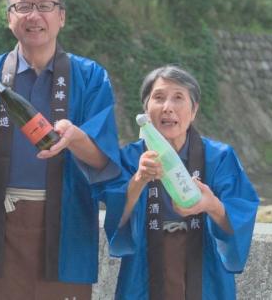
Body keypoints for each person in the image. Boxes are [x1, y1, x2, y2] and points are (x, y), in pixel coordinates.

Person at [0, 0, 122, 299]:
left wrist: (76, 138)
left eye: (44, 6)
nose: (34, 15)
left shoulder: (90, 77)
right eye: (24, 6)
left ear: (62, 16)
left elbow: (105, 160)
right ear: (9, 17)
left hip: (66, 230)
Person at [102, 65, 259, 300]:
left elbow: (241, 212)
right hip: (144, 270)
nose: (168, 107)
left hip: (205, 272)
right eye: (158, 97)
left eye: (178, 98)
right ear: (146, 109)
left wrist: (212, 205)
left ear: (193, 110)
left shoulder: (219, 157)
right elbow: (116, 216)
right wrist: (139, 179)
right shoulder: (131, 158)